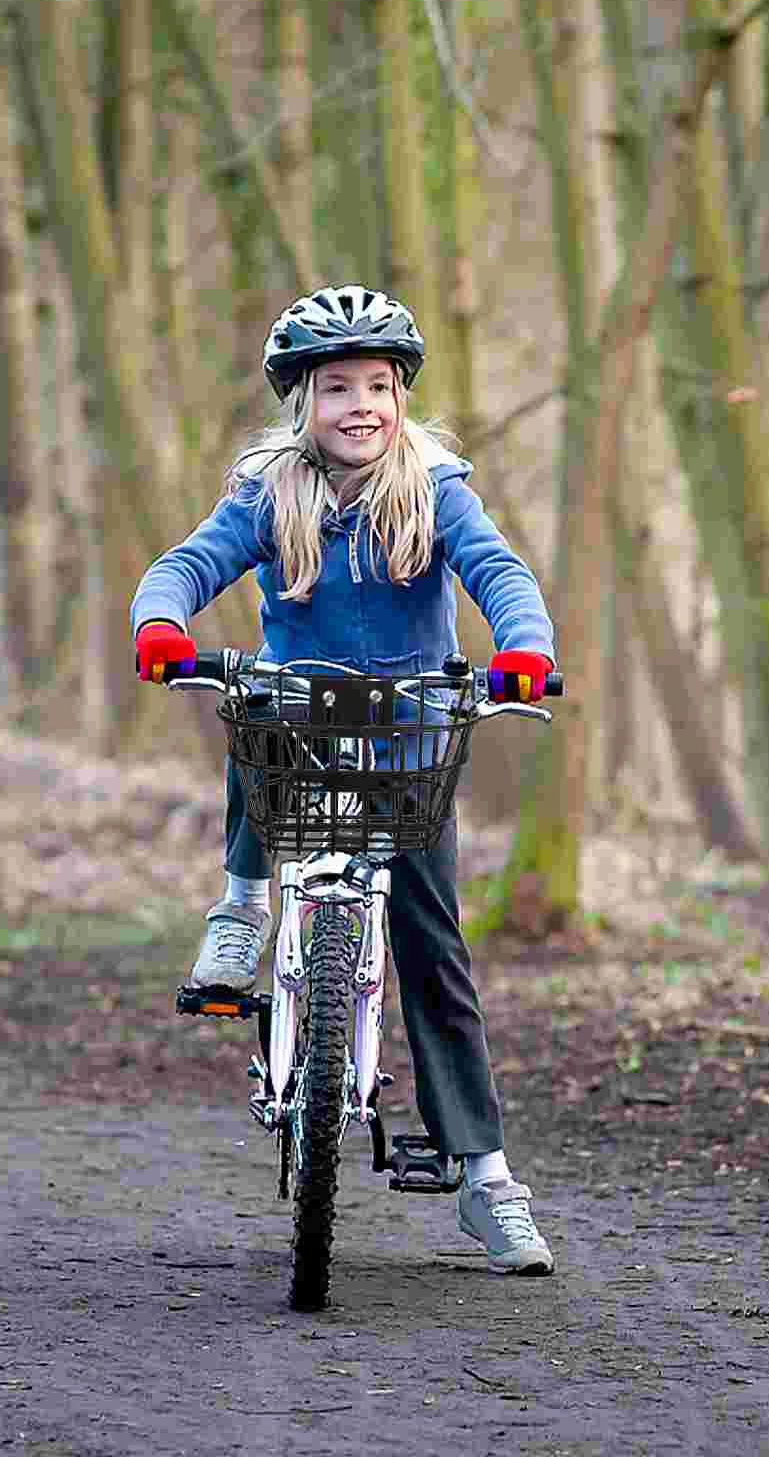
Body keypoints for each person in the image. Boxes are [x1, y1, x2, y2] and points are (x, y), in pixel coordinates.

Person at [130, 284, 557, 1277]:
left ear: (401, 395)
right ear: (300, 403)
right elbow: (187, 564)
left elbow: (499, 572)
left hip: (412, 734)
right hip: (303, 725)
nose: (360, 403)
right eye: (336, 387)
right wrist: (163, 623)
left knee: (431, 945)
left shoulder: (439, 487)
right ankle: (241, 908)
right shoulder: (269, 490)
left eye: (378, 384)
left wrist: (523, 647)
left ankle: (487, 1177)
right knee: (257, 701)